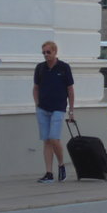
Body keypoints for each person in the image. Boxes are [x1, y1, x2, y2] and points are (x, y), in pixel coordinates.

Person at [33, 40, 74, 184]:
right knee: (46, 141)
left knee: (53, 138)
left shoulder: (64, 68)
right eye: (43, 52)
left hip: (58, 108)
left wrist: (71, 110)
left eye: (48, 52)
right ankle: (49, 173)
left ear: (55, 52)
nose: (45, 55)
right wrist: (37, 104)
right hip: (43, 108)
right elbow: (36, 87)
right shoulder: (40, 68)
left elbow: (70, 89)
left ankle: (61, 165)